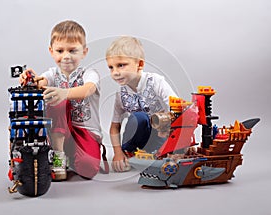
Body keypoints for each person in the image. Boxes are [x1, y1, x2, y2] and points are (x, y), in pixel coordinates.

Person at [19, 20, 105, 180]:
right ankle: (58, 155)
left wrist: (64, 93)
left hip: (84, 130)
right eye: (60, 50)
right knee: (55, 99)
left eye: (72, 50)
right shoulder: (52, 74)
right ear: (51, 51)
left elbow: (88, 89)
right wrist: (30, 78)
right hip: (58, 131)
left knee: (88, 170)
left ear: (84, 52)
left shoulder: (89, 73)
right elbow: (41, 81)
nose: (66, 56)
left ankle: (73, 155)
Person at [106, 36, 178, 172]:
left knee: (151, 119)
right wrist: (117, 152)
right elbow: (114, 127)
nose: (115, 72)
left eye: (121, 65)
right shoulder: (121, 94)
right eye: (111, 67)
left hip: (159, 135)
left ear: (139, 65)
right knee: (139, 117)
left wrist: (172, 135)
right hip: (138, 136)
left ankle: (158, 153)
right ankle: (128, 153)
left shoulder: (156, 81)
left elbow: (177, 109)